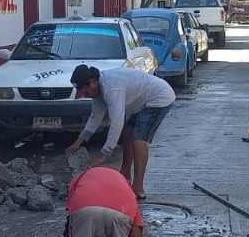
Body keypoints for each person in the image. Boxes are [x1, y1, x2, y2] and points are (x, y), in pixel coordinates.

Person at [65, 65, 176, 200]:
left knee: (139, 140)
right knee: (128, 132)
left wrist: (103, 154)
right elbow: (95, 118)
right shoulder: (98, 91)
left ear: (93, 82)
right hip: (142, 103)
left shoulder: (112, 87)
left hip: (159, 97)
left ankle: (138, 189)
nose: (86, 95)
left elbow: (116, 123)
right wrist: (78, 142)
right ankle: (125, 175)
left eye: (85, 91)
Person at [60, 167, 145, 237]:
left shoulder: (78, 179)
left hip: (85, 208)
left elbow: (70, 210)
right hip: (121, 210)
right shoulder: (125, 184)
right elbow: (137, 235)